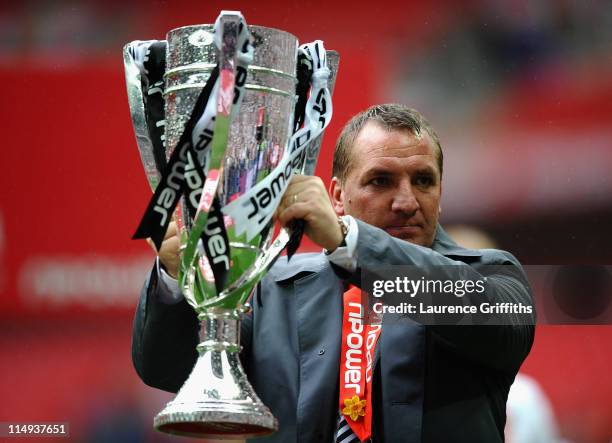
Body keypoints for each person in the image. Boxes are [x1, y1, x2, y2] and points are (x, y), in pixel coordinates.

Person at [132, 104, 535, 443]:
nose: (407, 201)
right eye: (381, 181)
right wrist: (176, 276)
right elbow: (168, 368)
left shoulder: (493, 278)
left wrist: (349, 242)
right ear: (337, 196)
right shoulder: (269, 290)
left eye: (424, 181)